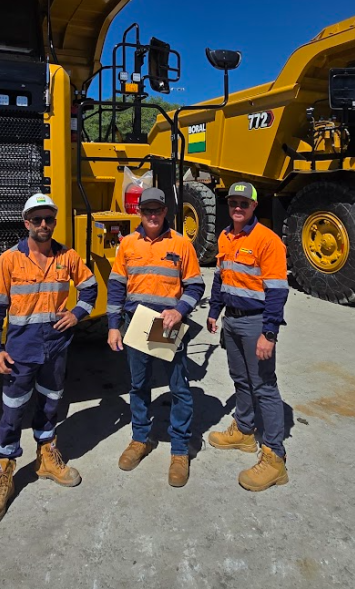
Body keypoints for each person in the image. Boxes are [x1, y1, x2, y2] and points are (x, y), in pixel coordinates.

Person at [0, 193, 98, 526]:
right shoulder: (9, 260)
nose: (43, 225)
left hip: (56, 348)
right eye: (37, 219)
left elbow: (90, 289)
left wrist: (76, 314)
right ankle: (3, 473)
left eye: (49, 219)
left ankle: (46, 456)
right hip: (20, 351)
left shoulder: (68, 257)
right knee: (13, 410)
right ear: (26, 222)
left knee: (50, 404)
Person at [106, 187, 205, 487]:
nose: (152, 215)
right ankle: (140, 438)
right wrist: (113, 325)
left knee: (178, 388)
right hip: (135, 323)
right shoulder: (128, 244)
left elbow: (196, 286)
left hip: (166, 325)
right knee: (138, 385)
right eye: (147, 210)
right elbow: (116, 287)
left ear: (165, 212)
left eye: (157, 210)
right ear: (139, 212)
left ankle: (179, 450)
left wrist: (180, 311)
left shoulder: (181, 243)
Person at [206, 181, 290, 491]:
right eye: (233, 203)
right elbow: (220, 278)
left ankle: (274, 456)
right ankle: (243, 430)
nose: (238, 208)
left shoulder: (267, 241)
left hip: (256, 323)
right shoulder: (226, 237)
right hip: (232, 321)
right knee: (240, 379)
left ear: (255, 206)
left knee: (264, 386)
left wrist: (269, 332)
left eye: (244, 203)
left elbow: (278, 292)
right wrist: (215, 311)